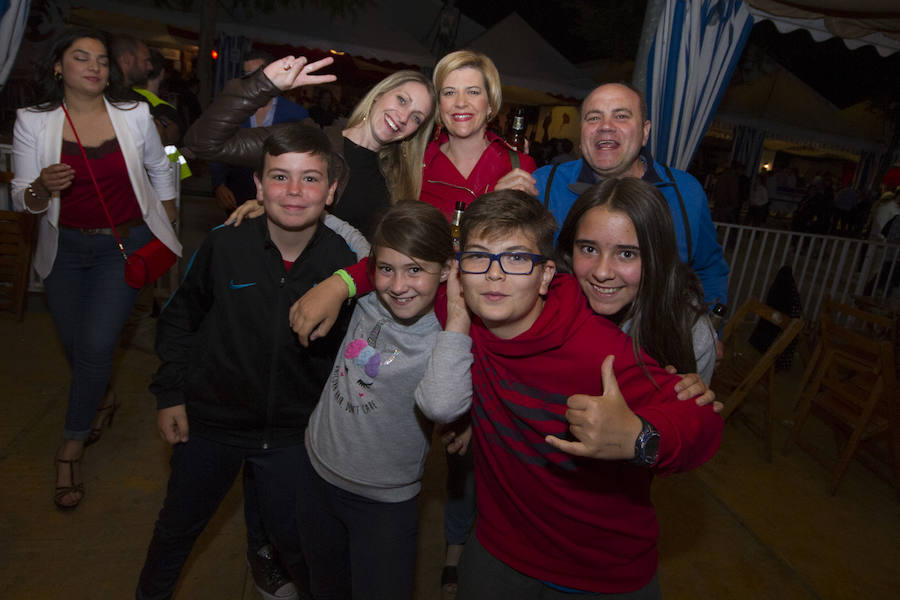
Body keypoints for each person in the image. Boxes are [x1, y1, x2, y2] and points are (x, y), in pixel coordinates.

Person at [424, 189, 722, 598]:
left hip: (600, 572)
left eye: (516, 259)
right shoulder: (463, 310)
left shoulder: (600, 350)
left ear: (545, 274)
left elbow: (703, 423)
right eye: (479, 258)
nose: (495, 275)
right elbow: (397, 272)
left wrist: (638, 436)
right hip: (498, 552)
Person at [135, 121, 357, 600]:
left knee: (298, 546)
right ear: (257, 185)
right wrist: (170, 393)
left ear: (331, 191)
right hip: (210, 425)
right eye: (279, 177)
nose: (294, 191)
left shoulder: (342, 266)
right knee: (175, 531)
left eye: (310, 178)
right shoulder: (224, 244)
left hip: (293, 437)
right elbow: (179, 319)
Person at [11, 28, 180, 511]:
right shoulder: (34, 121)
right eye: (81, 57)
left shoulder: (134, 114)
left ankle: (70, 447)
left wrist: (167, 216)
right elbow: (22, 198)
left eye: (102, 60)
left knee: (95, 346)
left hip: (121, 248)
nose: (94, 67)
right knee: (76, 344)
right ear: (58, 67)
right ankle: (102, 398)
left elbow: (161, 164)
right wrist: (43, 185)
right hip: (63, 250)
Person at [298, 201, 471, 599]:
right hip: (317, 474)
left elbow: (450, 399)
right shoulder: (366, 294)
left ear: (446, 269)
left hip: (385, 502)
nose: (397, 286)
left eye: (416, 270)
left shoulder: (449, 334)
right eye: (387, 269)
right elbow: (341, 227)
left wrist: (471, 416)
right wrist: (264, 206)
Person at [496, 82, 729, 310]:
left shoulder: (684, 191)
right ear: (582, 133)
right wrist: (499, 213)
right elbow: (509, 260)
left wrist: (709, 328)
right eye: (593, 117)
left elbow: (708, 270)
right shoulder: (544, 184)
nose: (605, 126)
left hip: (654, 340)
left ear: (645, 132)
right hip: (560, 337)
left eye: (621, 116)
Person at [184, 55, 436, 239]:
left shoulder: (401, 181)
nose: (403, 117)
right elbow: (204, 142)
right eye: (402, 100)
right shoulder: (310, 140)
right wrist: (263, 85)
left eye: (416, 117)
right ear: (380, 94)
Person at [555, 178, 717, 384]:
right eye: (589, 249)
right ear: (570, 250)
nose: (602, 273)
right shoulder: (548, 307)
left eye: (627, 254)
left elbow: (692, 414)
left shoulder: (690, 332)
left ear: (657, 257)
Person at [420, 49, 536, 218]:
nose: (460, 103)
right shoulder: (418, 165)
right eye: (449, 92)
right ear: (439, 104)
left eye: (473, 92)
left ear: (490, 103)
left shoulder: (519, 167)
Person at [209, 50, 310, 214]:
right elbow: (217, 146)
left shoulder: (296, 115)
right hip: (237, 194)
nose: (252, 80)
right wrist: (219, 184)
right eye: (247, 74)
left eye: (258, 74)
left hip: (279, 199)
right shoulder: (233, 108)